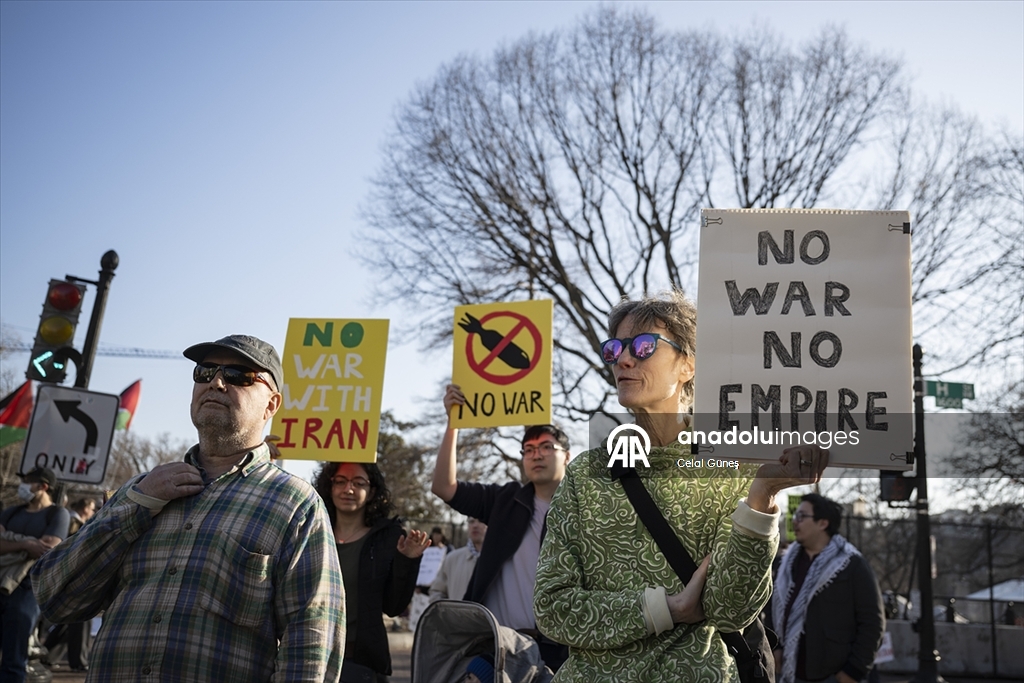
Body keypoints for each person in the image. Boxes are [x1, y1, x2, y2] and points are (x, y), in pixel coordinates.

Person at [534, 291, 829, 682]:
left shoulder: (731, 468)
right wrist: (667, 608)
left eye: (643, 347)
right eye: (615, 348)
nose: (623, 359)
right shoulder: (587, 473)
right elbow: (552, 608)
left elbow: (730, 608)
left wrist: (761, 497)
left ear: (687, 366)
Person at [31, 334, 345, 682]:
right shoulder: (140, 491)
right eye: (204, 372)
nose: (217, 382)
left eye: (239, 375)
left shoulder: (296, 504)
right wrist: (136, 505)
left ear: (271, 404)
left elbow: (311, 645)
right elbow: (54, 596)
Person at [432, 385, 571, 670]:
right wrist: (453, 423)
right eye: (529, 450)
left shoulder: (583, 510)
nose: (536, 455)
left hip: (560, 653)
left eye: (546, 447)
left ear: (567, 456)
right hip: (498, 649)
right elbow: (444, 487)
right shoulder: (505, 500)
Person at [315, 460, 429, 682]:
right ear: (330, 486)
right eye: (340, 481)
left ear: (372, 491)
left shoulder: (387, 539)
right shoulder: (311, 530)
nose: (348, 489)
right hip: (308, 655)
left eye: (359, 483)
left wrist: (407, 560)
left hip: (359, 665)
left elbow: (394, 607)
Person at [770, 494, 884, 683]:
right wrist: (776, 647)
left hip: (833, 675)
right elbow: (772, 605)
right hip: (791, 672)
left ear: (822, 523)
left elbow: (872, 622)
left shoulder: (851, 564)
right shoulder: (786, 563)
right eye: (794, 515)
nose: (794, 521)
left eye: (801, 516)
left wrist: (853, 671)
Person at [1, 466, 70, 683]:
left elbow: (47, 548)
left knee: (15, 656)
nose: (22, 485)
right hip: (2, 581)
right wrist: (26, 543)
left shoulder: (57, 514)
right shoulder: (12, 511)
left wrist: (10, 540)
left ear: (43, 487)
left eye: (28, 481)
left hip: (27, 590)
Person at [40, 497, 98, 672]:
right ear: (86, 507)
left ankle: (48, 654)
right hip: (72, 578)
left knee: (68, 620)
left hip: (68, 577)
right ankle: (79, 661)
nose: (93, 512)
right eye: (92, 508)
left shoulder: (74, 522)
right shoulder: (72, 523)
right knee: (81, 618)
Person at [430, 517, 487, 603]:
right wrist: (448, 613)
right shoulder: (452, 559)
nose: (475, 525)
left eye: (481, 521)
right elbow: (436, 592)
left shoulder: (503, 561)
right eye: (471, 521)